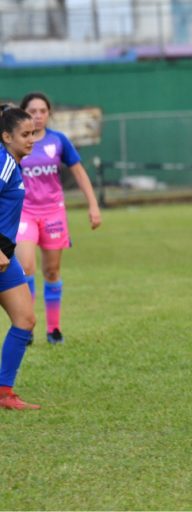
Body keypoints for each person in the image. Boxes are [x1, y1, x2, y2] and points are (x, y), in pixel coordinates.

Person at [17, 92, 102, 345]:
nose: (38, 116)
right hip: (25, 212)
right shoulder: (15, 144)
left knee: (52, 271)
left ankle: (54, 330)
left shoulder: (59, 141)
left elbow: (79, 172)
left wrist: (93, 205)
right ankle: (27, 325)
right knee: (26, 267)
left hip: (53, 213)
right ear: (24, 114)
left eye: (42, 111)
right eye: (32, 111)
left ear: (49, 113)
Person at [0, 105, 40, 409]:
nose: (31, 139)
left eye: (34, 133)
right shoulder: (4, 164)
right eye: (25, 135)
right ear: (5, 136)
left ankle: (4, 393)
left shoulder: (13, 164)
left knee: (25, 320)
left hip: (6, 254)